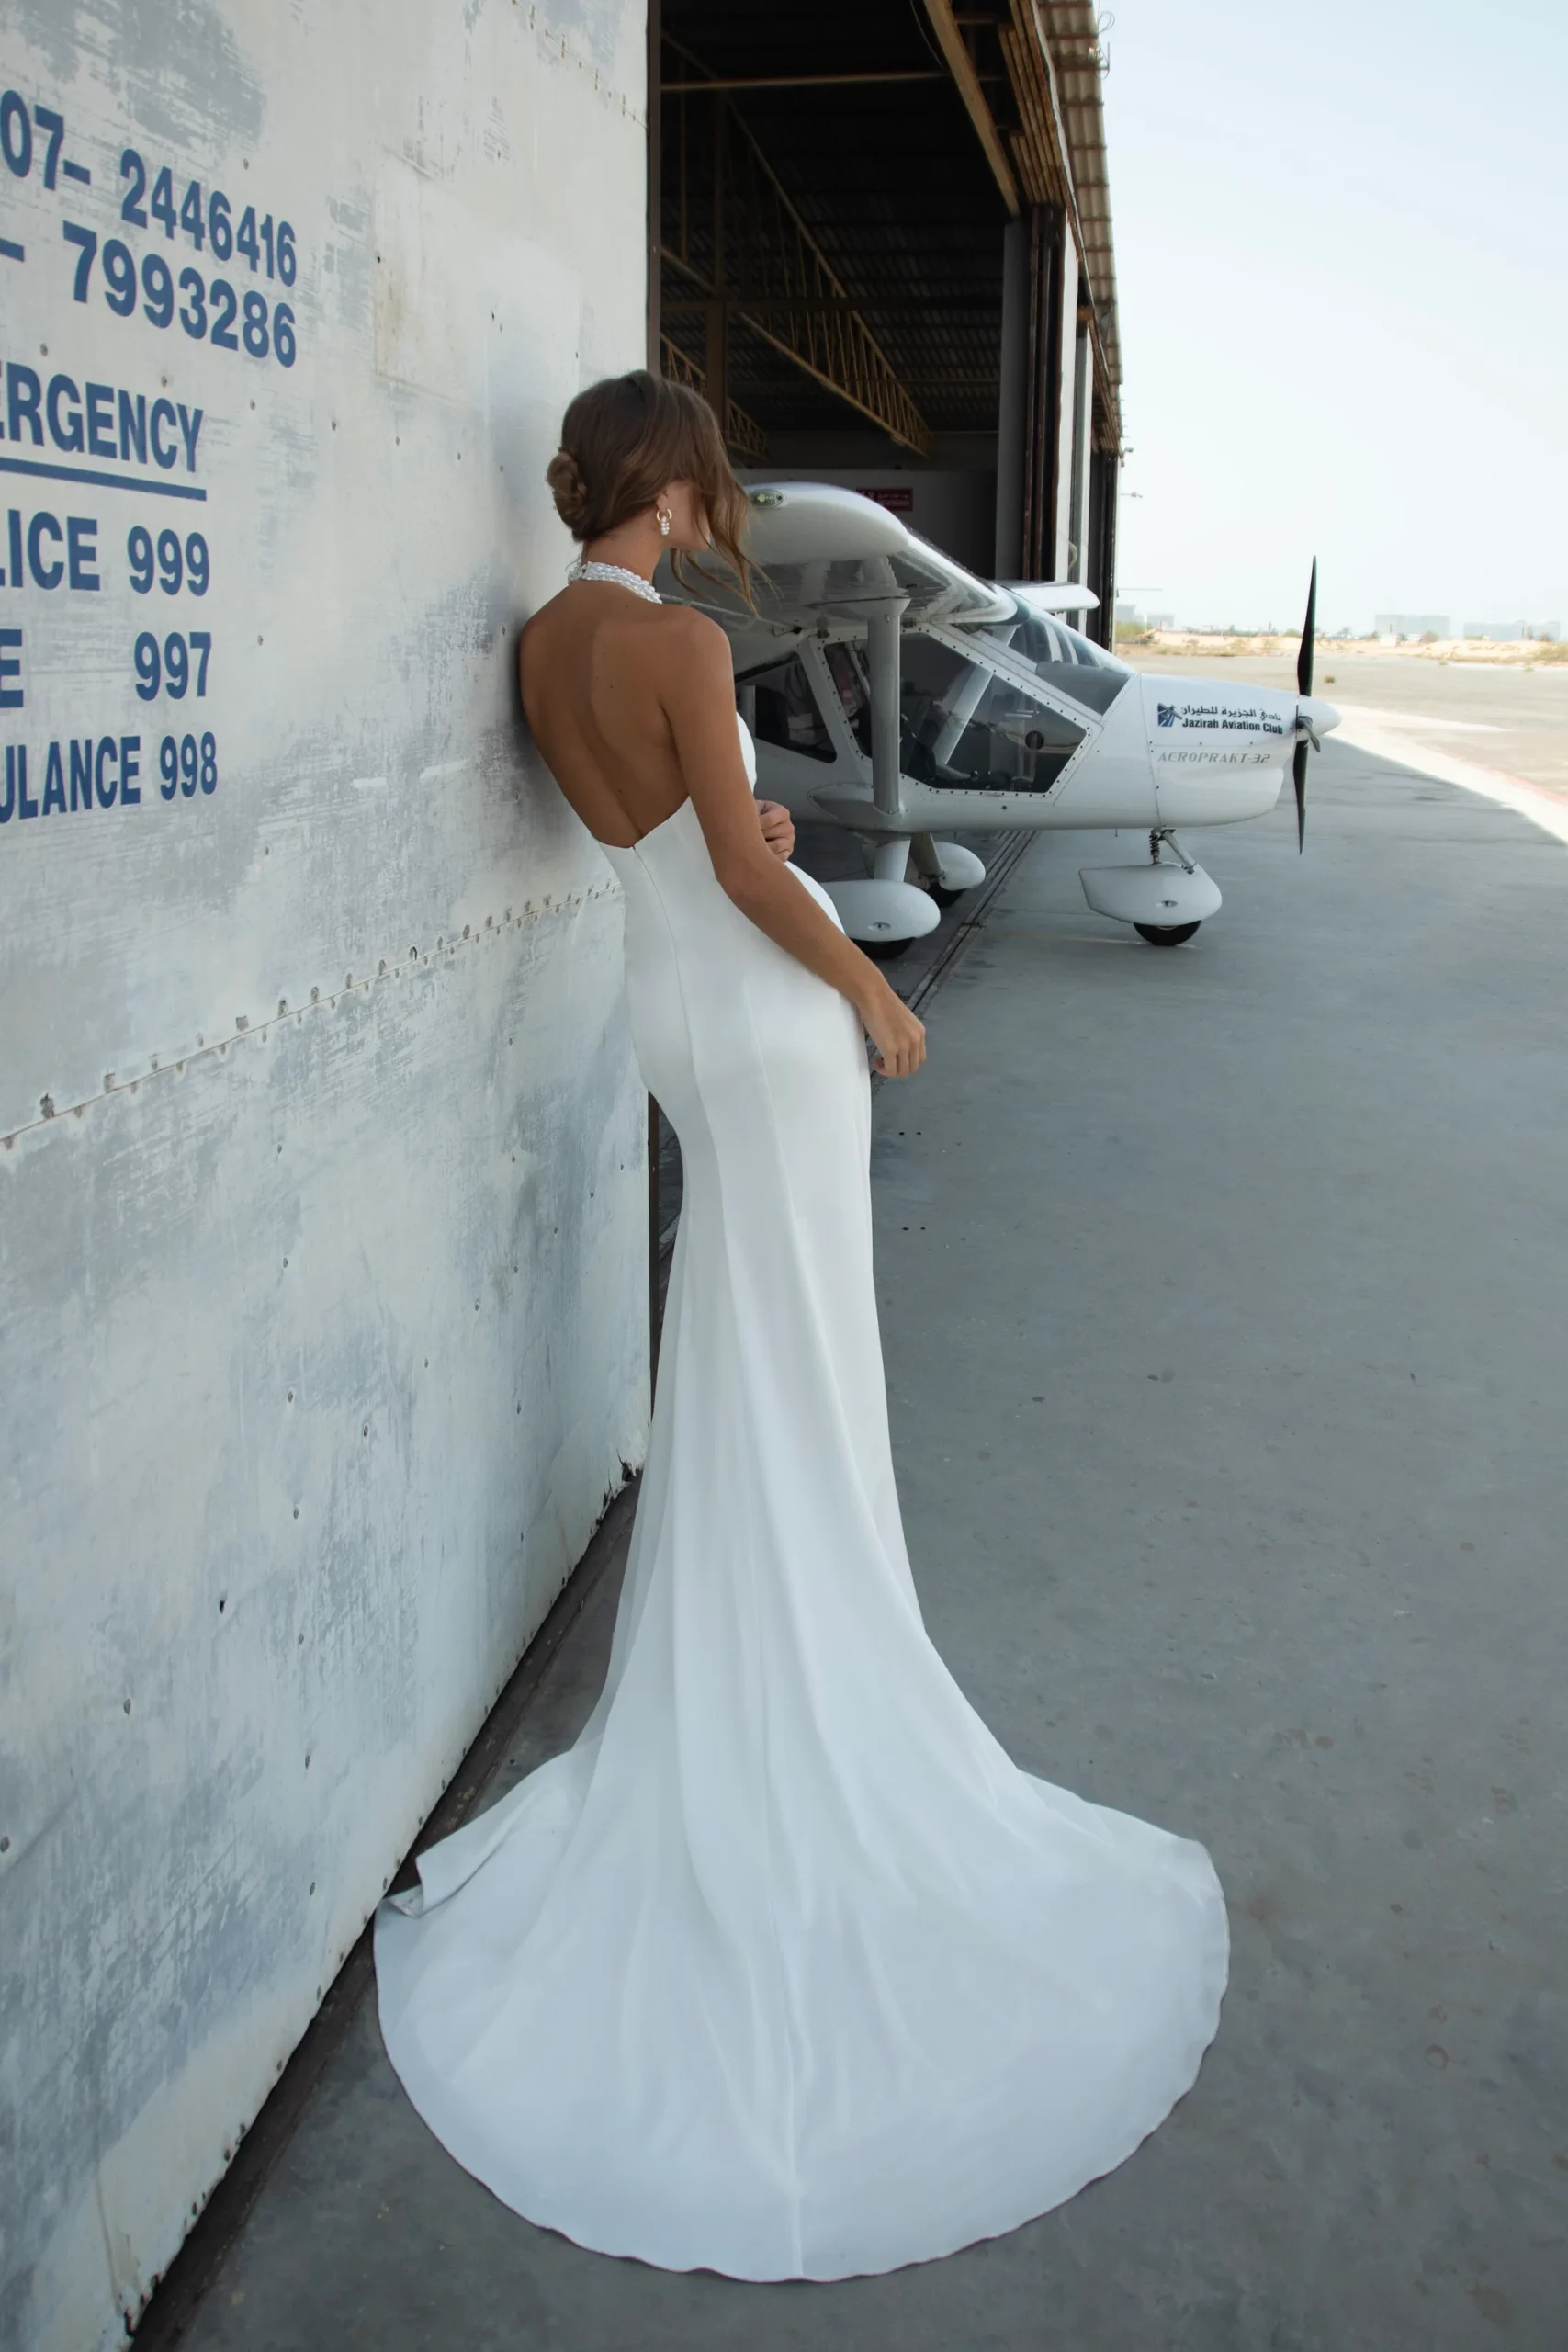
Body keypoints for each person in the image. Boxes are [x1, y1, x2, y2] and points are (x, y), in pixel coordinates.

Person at [374, 370, 1227, 2282]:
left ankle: (742, 1670)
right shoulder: (678, 631)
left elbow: (666, 836)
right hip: (766, 1028)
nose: (717, 497)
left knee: (742, 1346)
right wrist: (875, 991)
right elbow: (755, 872)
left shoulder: (541, 648)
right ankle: (822, 1676)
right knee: (802, 1360)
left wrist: (737, 819)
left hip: (671, 1031)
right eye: (706, 475)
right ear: (666, 481)